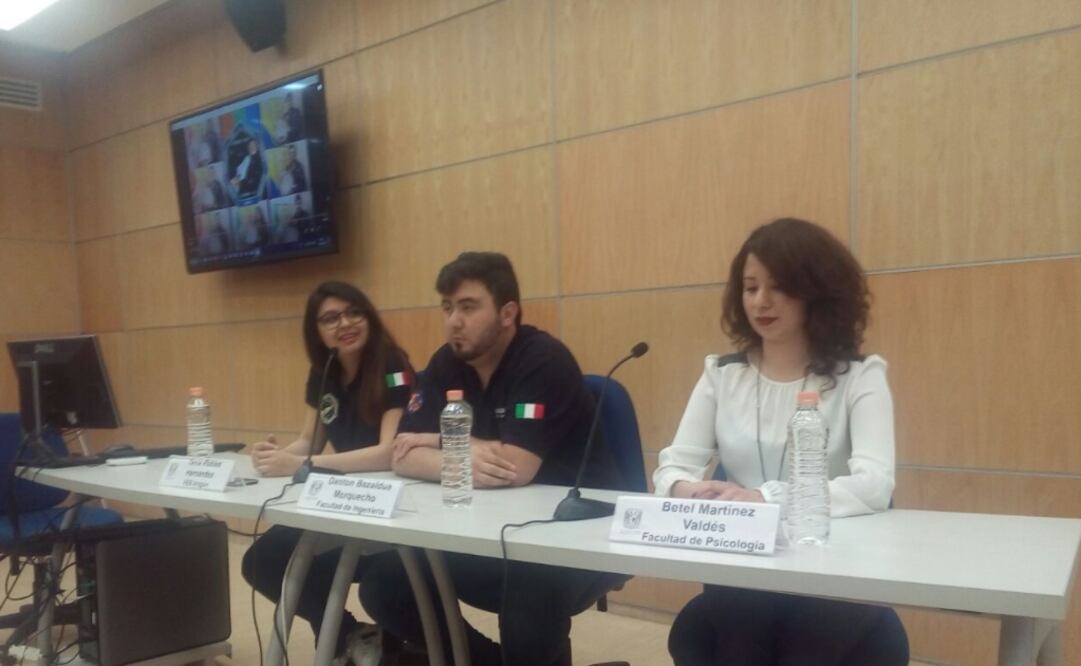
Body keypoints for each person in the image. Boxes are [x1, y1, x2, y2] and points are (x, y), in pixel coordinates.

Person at [654, 218, 909, 666]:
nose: (761, 301)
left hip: (834, 568)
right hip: (747, 562)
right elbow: (674, 465)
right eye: (750, 288)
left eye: (779, 287)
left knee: (795, 648)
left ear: (818, 292)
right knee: (736, 634)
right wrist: (686, 489)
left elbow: (874, 482)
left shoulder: (860, 376)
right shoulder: (722, 373)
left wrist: (765, 497)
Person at [358, 252, 625, 666]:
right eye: (447, 308)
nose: (453, 321)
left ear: (507, 313)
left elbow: (514, 468)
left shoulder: (543, 359)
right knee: (384, 582)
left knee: (529, 597)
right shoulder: (447, 362)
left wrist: (439, 443)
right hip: (486, 532)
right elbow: (402, 454)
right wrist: (463, 451)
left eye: (468, 307)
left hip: (572, 539)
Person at [241, 281, 415, 664]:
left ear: (368, 317)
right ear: (316, 331)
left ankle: (350, 643)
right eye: (331, 318)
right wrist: (275, 457)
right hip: (339, 500)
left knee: (293, 561)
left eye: (355, 312)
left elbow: (389, 454)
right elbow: (309, 441)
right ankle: (354, 635)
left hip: (390, 510)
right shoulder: (325, 371)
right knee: (262, 561)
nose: (345, 324)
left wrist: (304, 466)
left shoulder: (392, 365)